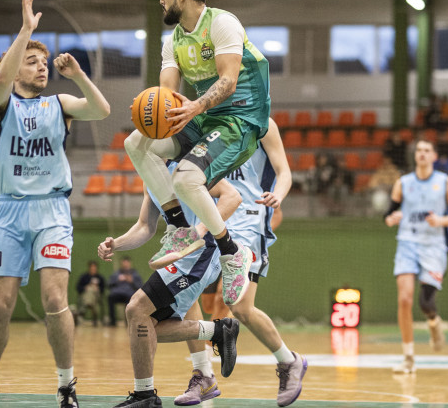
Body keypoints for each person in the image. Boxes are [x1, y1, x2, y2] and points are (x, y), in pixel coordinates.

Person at [0, 0, 110, 408]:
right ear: (15, 69)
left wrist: (79, 76)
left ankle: (66, 384)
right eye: (30, 61)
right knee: (0, 305)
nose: (39, 67)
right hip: (10, 211)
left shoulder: (60, 102)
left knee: (55, 298)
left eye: (42, 62)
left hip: (52, 209)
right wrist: (26, 30)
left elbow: (102, 110)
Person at [123, 0, 272, 312]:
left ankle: (232, 252)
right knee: (137, 142)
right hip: (206, 118)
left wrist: (195, 106)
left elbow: (229, 80)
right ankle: (177, 226)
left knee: (188, 177)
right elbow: (167, 94)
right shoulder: (173, 40)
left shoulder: (222, 24)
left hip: (240, 119)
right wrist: (157, 110)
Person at [176, 118, 307, 407]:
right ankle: (204, 374)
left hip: (249, 219)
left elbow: (285, 172)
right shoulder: (206, 120)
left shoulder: (263, 122)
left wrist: (279, 195)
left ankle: (289, 361)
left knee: (238, 305)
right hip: (213, 214)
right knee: (185, 293)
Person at [98, 166, 243, 408]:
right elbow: (145, 226)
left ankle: (145, 396)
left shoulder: (186, 168)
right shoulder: (150, 176)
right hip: (181, 256)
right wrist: (117, 244)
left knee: (136, 309)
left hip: (202, 252)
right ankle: (217, 332)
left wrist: (199, 232)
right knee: (144, 325)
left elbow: (232, 196)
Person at [383, 139, 448, 374]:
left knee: (425, 303)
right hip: (407, 243)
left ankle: (433, 321)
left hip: (434, 246)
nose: (422, 154)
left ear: (434, 156)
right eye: (418, 150)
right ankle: (408, 358)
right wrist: (391, 219)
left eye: (427, 150)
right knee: (405, 299)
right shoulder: (403, 183)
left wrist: (441, 220)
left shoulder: (445, 182)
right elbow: (388, 215)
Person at [106, 257, 143, 327]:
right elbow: (109, 284)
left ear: (130, 263)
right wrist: (117, 280)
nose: (125, 264)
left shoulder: (135, 274)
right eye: (124, 263)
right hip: (117, 293)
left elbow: (140, 286)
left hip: (129, 295)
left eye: (127, 263)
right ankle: (112, 321)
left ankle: (128, 322)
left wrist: (132, 281)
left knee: (130, 300)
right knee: (110, 297)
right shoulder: (116, 274)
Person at [75, 260, 106, 326]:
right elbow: (78, 287)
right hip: (85, 296)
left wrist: (98, 289)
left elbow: (103, 289)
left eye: (94, 267)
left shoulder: (100, 278)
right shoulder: (84, 277)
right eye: (92, 267)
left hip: (96, 296)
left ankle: (85, 307)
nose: (93, 269)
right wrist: (85, 287)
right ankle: (89, 303)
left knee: (91, 291)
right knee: (89, 290)